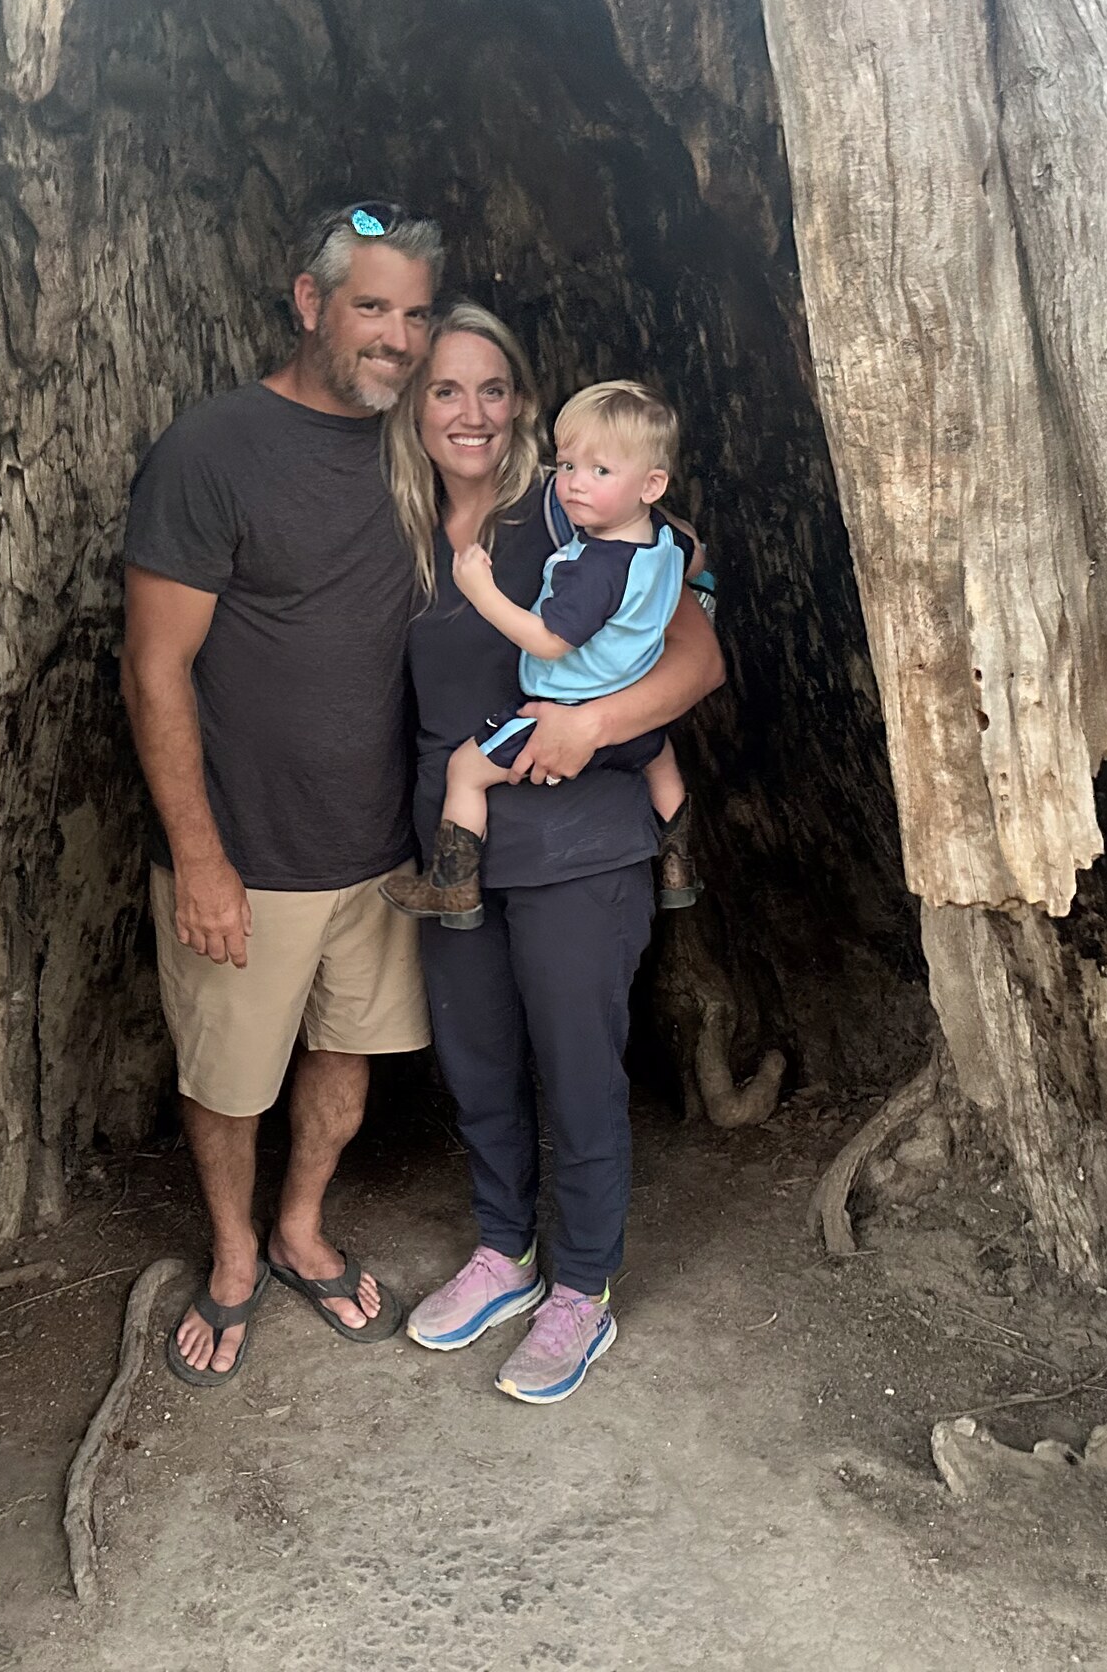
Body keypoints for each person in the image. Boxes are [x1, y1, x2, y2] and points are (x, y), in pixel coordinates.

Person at [120, 201, 441, 1388]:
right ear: (309, 304)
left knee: (346, 1060)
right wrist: (198, 857)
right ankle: (235, 1252)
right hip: (246, 850)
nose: (397, 340)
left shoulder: (421, 446)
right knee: (229, 1078)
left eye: (414, 316)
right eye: (372, 308)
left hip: (379, 848)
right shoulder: (213, 451)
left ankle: (302, 1225)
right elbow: (155, 666)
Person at [385, 304, 724, 1404]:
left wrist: (594, 726)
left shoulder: (572, 509)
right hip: (455, 845)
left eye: (492, 388)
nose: (470, 412)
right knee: (476, 1063)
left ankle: (583, 1286)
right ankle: (506, 1254)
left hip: (577, 839)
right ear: (415, 406)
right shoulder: (395, 525)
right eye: (445, 389)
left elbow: (698, 659)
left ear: (522, 401)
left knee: (578, 1071)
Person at [379, 380, 698, 928]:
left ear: (652, 484)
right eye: (568, 465)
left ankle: (453, 886)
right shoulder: (664, 545)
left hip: (561, 713)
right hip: (633, 723)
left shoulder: (594, 565)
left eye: (600, 472)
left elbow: (550, 640)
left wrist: (483, 593)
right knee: (662, 759)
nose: (572, 485)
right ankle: (678, 868)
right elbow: (695, 559)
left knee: (465, 769)